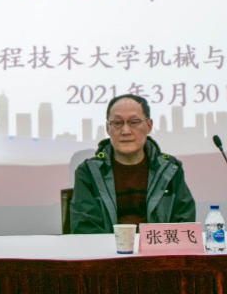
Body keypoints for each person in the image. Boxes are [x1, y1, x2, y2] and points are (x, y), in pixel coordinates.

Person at [70, 93, 196, 233]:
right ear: (107, 128)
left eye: (134, 122)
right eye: (117, 123)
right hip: (108, 246)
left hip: (158, 246)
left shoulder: (169, 169)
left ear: (148, 126)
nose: (125, 131)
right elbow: (84, 227)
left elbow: (184, 222)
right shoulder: (89, 172)